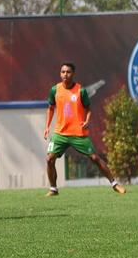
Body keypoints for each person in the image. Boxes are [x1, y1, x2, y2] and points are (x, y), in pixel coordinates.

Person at [43, 63, 126, 196]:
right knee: (49, 159)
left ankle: (115, 184)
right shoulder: (55, 90)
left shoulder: (81, 91)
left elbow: (88, 109)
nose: (65, 74)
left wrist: (87, 121)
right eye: (63, 72)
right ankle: (53, 189)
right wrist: (47, 127)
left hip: (78, 133)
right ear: (60, 74)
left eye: (68, 72)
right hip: (60, 133)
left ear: (73, 74)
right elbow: (51, 108)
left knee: (94, 158)